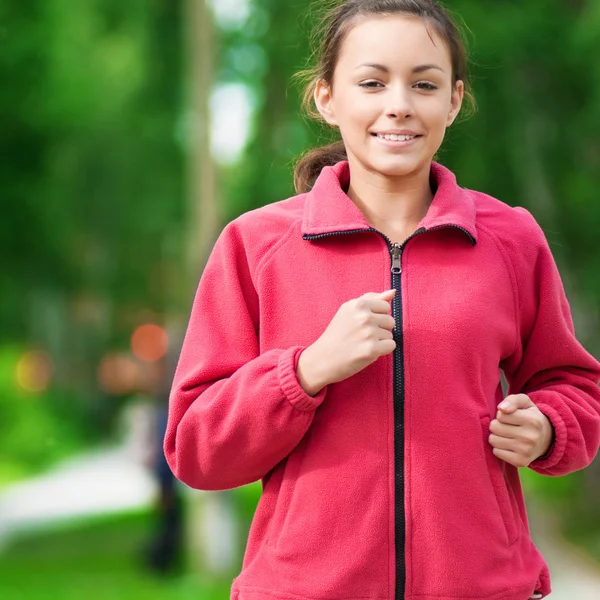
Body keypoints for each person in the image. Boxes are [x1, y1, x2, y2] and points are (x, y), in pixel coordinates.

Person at [164, 1, 600, 599]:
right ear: (327, 98)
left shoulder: (511, 239)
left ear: (453, 100)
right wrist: (304, 371)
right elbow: (196, 449)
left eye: (424, 83)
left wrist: (550, 428)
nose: (399, 104)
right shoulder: (255, 245)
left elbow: (575, 385)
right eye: (371, 82)